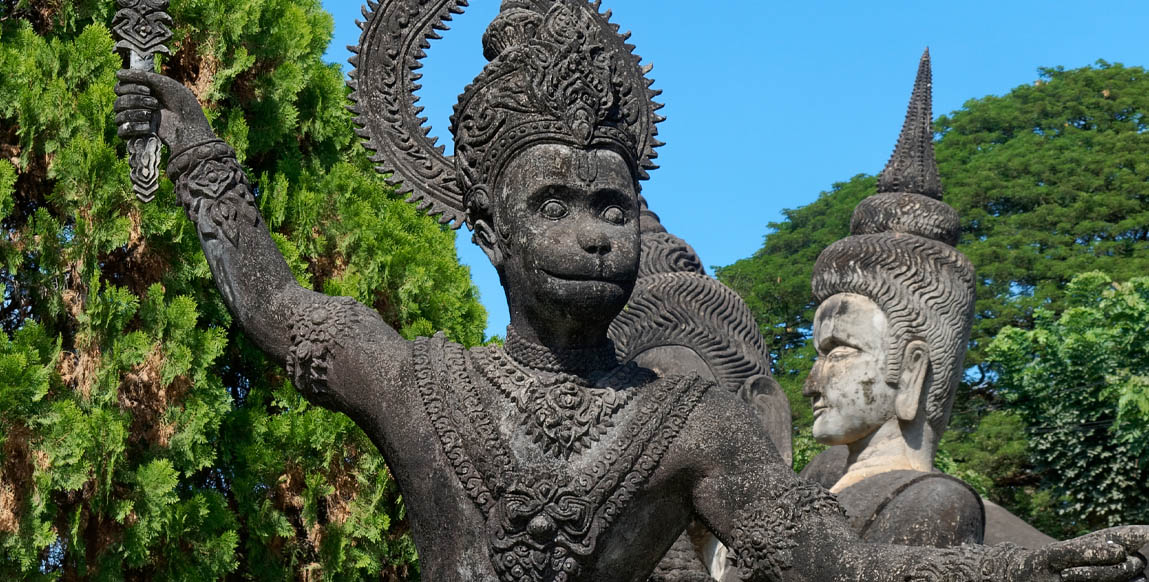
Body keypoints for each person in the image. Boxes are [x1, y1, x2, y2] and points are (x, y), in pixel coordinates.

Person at [114, 0, 1149, 579]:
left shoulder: (691, 419)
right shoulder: (419, 382)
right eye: (555, 205)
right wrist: (196, 155)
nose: (594, 237)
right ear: (485, 228)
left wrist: (1013, 572)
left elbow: (833, 562)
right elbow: (277, 307)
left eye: (613, 209)